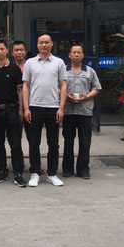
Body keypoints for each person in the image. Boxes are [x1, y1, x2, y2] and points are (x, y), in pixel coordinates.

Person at [22, 33, 67, 187]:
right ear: (37, 45)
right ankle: (35, 173)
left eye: (47, 42)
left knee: (53, 143)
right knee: (34, 142)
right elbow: (25, 86)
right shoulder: (30, 63)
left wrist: (61, 108)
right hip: (34, 107)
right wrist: (26, 108)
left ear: (51, 44)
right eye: (41, 42)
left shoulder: (59, 63)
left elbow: (63, 85)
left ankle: (52, 174)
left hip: (53, 107)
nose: (44, 45)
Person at [0, 39, 26, 187]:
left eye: (2, 49)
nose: (0, 52)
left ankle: (18, 172)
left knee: (15, 143)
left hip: (12, 110)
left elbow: (20, 90)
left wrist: (21, 109)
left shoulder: (14, 69)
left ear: (7, 50)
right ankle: (2, 170)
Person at [62, 43, 102, 180]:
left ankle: (83, 169)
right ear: (69, 55)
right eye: (74, 52)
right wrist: (65, 95)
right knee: (68, 141)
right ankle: (67, 169)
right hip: (68, 111)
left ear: (83, 55)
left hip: (84, 111)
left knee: (85, 142)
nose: (76, 55)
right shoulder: (63, 71)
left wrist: (87, 96)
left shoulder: (90, 71)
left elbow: (97, 88)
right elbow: (57, 87)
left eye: (79, 52)